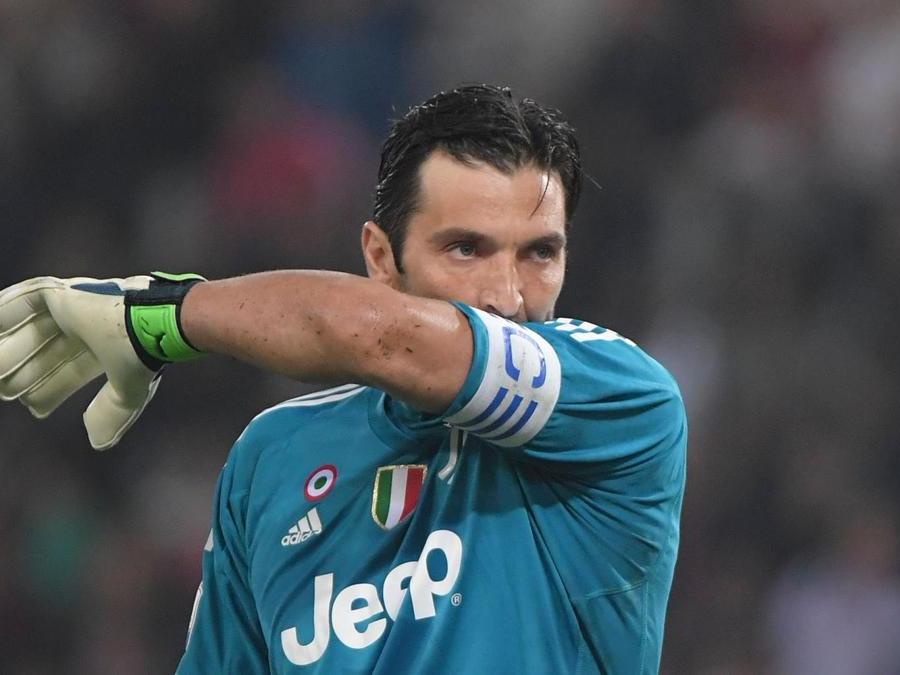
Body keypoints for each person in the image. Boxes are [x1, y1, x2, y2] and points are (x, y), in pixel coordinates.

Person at [0, 85, 687, 673]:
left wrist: (163, 317)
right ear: (381, 260)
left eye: (539, 253)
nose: (507, 296)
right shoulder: (271, 457)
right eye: (465, 248)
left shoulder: (621, 401)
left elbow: (383, 337)